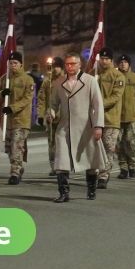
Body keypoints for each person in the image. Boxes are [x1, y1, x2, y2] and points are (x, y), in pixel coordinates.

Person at [48, 52, 106, 202]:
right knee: (61, 161)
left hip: (86, 127)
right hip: (64, 127)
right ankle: (63, 193)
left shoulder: (90, 81)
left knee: (90, 161)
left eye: (73, 64)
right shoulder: (59, 82)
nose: (69, 67)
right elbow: (53, 103)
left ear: (79, 65)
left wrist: (98, 126)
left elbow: (98, 105)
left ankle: (91, 190)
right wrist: (51, 113)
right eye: (67, 64)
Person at [2, 51, 35, 185]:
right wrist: (1, 93)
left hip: (21, 120)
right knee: (10, 148)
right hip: (8, 121)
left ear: (21, 64)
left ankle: (14, 173)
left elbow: (28, 98)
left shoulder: (28, 79)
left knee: (17, 147)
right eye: (10, 63)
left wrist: (13, 107)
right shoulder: (5, 78)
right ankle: (18, 167)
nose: (13, 65)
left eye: (15, 63)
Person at [96, 48, 125, 188]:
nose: (104, 61)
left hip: (110, 118)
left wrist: (99, 104)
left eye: (107, 59)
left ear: (111, 60)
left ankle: (103, 175)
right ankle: (96, 172)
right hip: (96, 119)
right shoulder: (96, 75)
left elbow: (115, 97)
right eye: (102, 58)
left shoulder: (118, 76)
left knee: (108, 147)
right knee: (96, 147)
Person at [36, 57, 64, 176]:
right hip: (50, 119)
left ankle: (63, 166)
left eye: (57, 66)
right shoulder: (48, 81)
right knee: (52, 144)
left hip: (64, 119)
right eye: (53, 66)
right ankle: (53, 167)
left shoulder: (66, 80)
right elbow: (41, 99)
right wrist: (41, 114)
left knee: (62, 144)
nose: (55, 69)